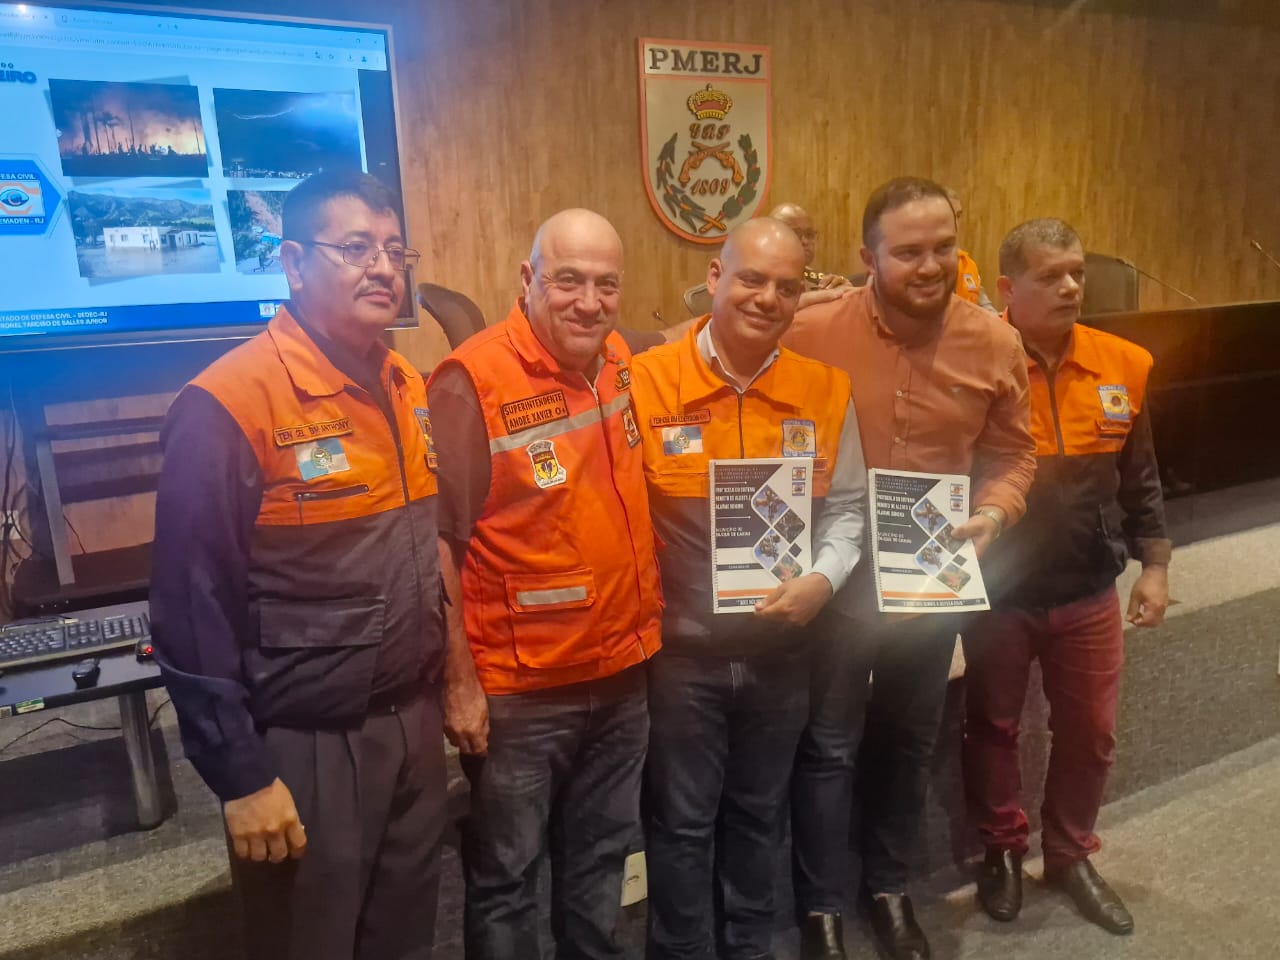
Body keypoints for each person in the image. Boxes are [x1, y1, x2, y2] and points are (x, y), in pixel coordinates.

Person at [150, 170, 446, 960]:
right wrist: (241, 776)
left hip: (412, 727)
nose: (382, 268)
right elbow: (189, 608)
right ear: (292, 262)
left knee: (405, 944)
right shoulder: (227, 403)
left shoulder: (405, 382)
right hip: (306, 745)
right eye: (355, 248)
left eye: (394, 250)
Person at [783, 177, 1037, 960]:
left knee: (907, 738)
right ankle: (822, 904)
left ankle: (888, 889)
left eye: (943, 248)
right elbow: (718, 336)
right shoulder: (809, 326)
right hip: (834, 576)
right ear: (868, 258)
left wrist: (995, 512)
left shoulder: (995, 343)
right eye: (908, 252)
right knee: (828, 744)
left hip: (931, 573)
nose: (930, 266)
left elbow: (1015, 455)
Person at [427, 209, 662, 960]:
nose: (589, 303)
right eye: (568, 281)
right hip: (521, 693)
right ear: (528, 279)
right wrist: (458, 684)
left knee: (600, 862)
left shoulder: (618, 358)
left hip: (621, 675)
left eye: (606, 285)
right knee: (508, 878)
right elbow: (438, 545)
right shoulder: (471, 381)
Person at [631, 218, 867, 960]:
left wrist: (824, 580)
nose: (767, 298)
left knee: (762, 816)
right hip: (681, 656)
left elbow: (849, 509)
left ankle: (752, 950)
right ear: (715, 277)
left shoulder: (825, 390)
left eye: (786, 287)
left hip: (780, 651)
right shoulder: (645, 380)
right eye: (752, 279)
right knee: (681, 825)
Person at [962, 218, 1170, 935]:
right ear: (1007, 288)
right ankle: (1001, 849)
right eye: (1051, 276)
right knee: (992, 727)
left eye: (1077, 272)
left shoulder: (1123, 363)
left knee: (1092, 733)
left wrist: (1155, 565)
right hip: (997, 593)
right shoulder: (972, 363)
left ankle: (1070, 853)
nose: (1072, 286)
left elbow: (1141, 477)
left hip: (1088, 590)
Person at [769, 202, 854, 310]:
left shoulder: (820, 281)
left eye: (809, 234)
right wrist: (812, 299)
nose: (805, 241)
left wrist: (848, 294)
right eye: (795, 233)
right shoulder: (757, 281)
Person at [945, 188, 995, 311]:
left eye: (958, 216)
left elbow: (985, 308)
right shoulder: (921, 265)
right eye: (949, 216)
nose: (956, 224)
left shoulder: (967, 263)